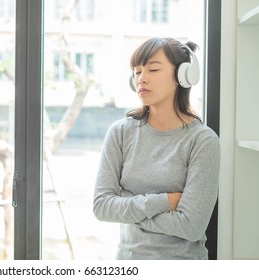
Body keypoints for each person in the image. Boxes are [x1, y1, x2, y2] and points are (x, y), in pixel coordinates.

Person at [93, 37, 220, 260]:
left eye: (153, 69)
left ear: (183, 75)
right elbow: (102, 207)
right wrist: (166, 201)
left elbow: (192, 227)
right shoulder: (121, 132)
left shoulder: (202, 140)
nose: (142, 79)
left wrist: (127, 207)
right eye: (137, 72)